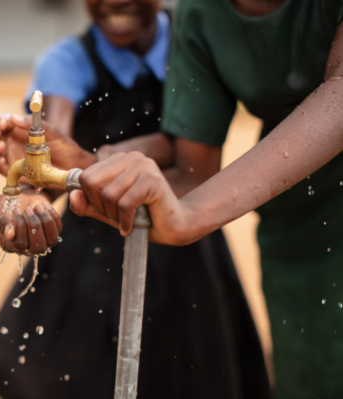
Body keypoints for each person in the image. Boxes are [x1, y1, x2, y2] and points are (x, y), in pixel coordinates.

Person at [0, 1, 270, 398]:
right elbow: (50, 144)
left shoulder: (197, 36)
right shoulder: (66, 60)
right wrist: (28, 193)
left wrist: (98, 159)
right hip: (95, 255)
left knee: (193, 375)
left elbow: (195, 150)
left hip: (184, 242)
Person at [67, 0, 343, 398]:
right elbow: (194, 174)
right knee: (311, 374)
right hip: (298, 224)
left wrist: (190, 216)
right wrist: (85, 168)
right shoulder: (200, 13)